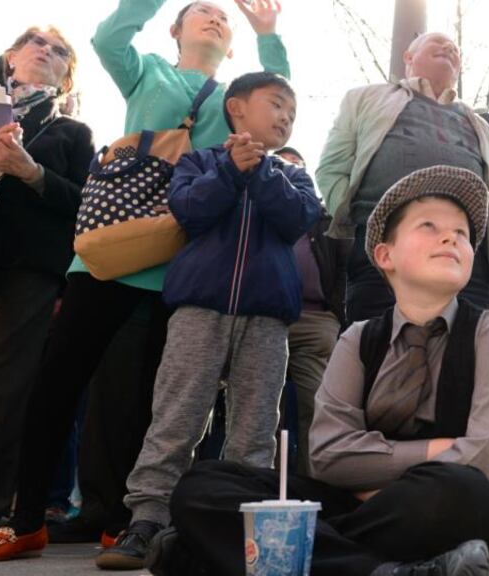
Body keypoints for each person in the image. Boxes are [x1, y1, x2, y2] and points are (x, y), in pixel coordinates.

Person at [0, 0, 291, 561]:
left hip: (182, 260)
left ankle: (125, 519)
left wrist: (268, 33)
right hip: (111, 252)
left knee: (150, 397)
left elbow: (275, 101)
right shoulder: (147, 69)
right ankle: (25, 519)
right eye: (200, 12)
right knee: (58, 382)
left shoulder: (235, 100)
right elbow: (108, 38)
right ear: (175, 30)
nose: (215, 18)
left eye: (223, 17)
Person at [155, 166, 489, 576]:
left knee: (457, 491)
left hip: (442, 507)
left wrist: (381, 482)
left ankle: (264, 551)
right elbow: (328, 455)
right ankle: (385, 571)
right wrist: (437, 450)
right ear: (385, 255)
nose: (451, 238)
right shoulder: (358, 339)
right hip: (366, 508)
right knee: (203, 486)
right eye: (429, 225)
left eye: (462, 233)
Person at [94, 71, 319, 569]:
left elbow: (297, 219)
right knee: (177, 416)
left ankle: (237, 528)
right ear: (236, 108)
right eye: (277, 104)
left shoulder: (294, 174)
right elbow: (189, 210)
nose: (285, 117)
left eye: (292, 113)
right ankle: (147, 521)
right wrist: (232, 172)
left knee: (255, 428)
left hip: (266, 318)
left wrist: (259, 171)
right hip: (199, 309)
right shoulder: (199, 160)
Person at [317, 31, 489, 322]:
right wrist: (360, 221)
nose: (449, 48)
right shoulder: (364, 98)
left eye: (455, 49)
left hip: (465, 255)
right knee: (380, 349)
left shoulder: (480, 126)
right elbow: (331, 167)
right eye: (438, 43)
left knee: (469, 353)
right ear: (408, 57)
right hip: (385, 247)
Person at [0, 26, 93, 537]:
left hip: (27, 271)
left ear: (68, 76)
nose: (45, 50)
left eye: (59, 50)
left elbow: (85, 206)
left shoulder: (73, 134)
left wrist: (30, 172)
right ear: (10, 56)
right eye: (34, 42)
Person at [275, 144, 351, 473]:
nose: (291, 171)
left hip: (317, 319)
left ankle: (313, 489)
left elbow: (345, 267)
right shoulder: (260, 209)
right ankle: (262, 486)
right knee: (262, 409)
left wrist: (334, 314)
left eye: (298, 167)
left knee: (317, 406)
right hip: (267, 317)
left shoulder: (324, 219)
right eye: (282, 164)